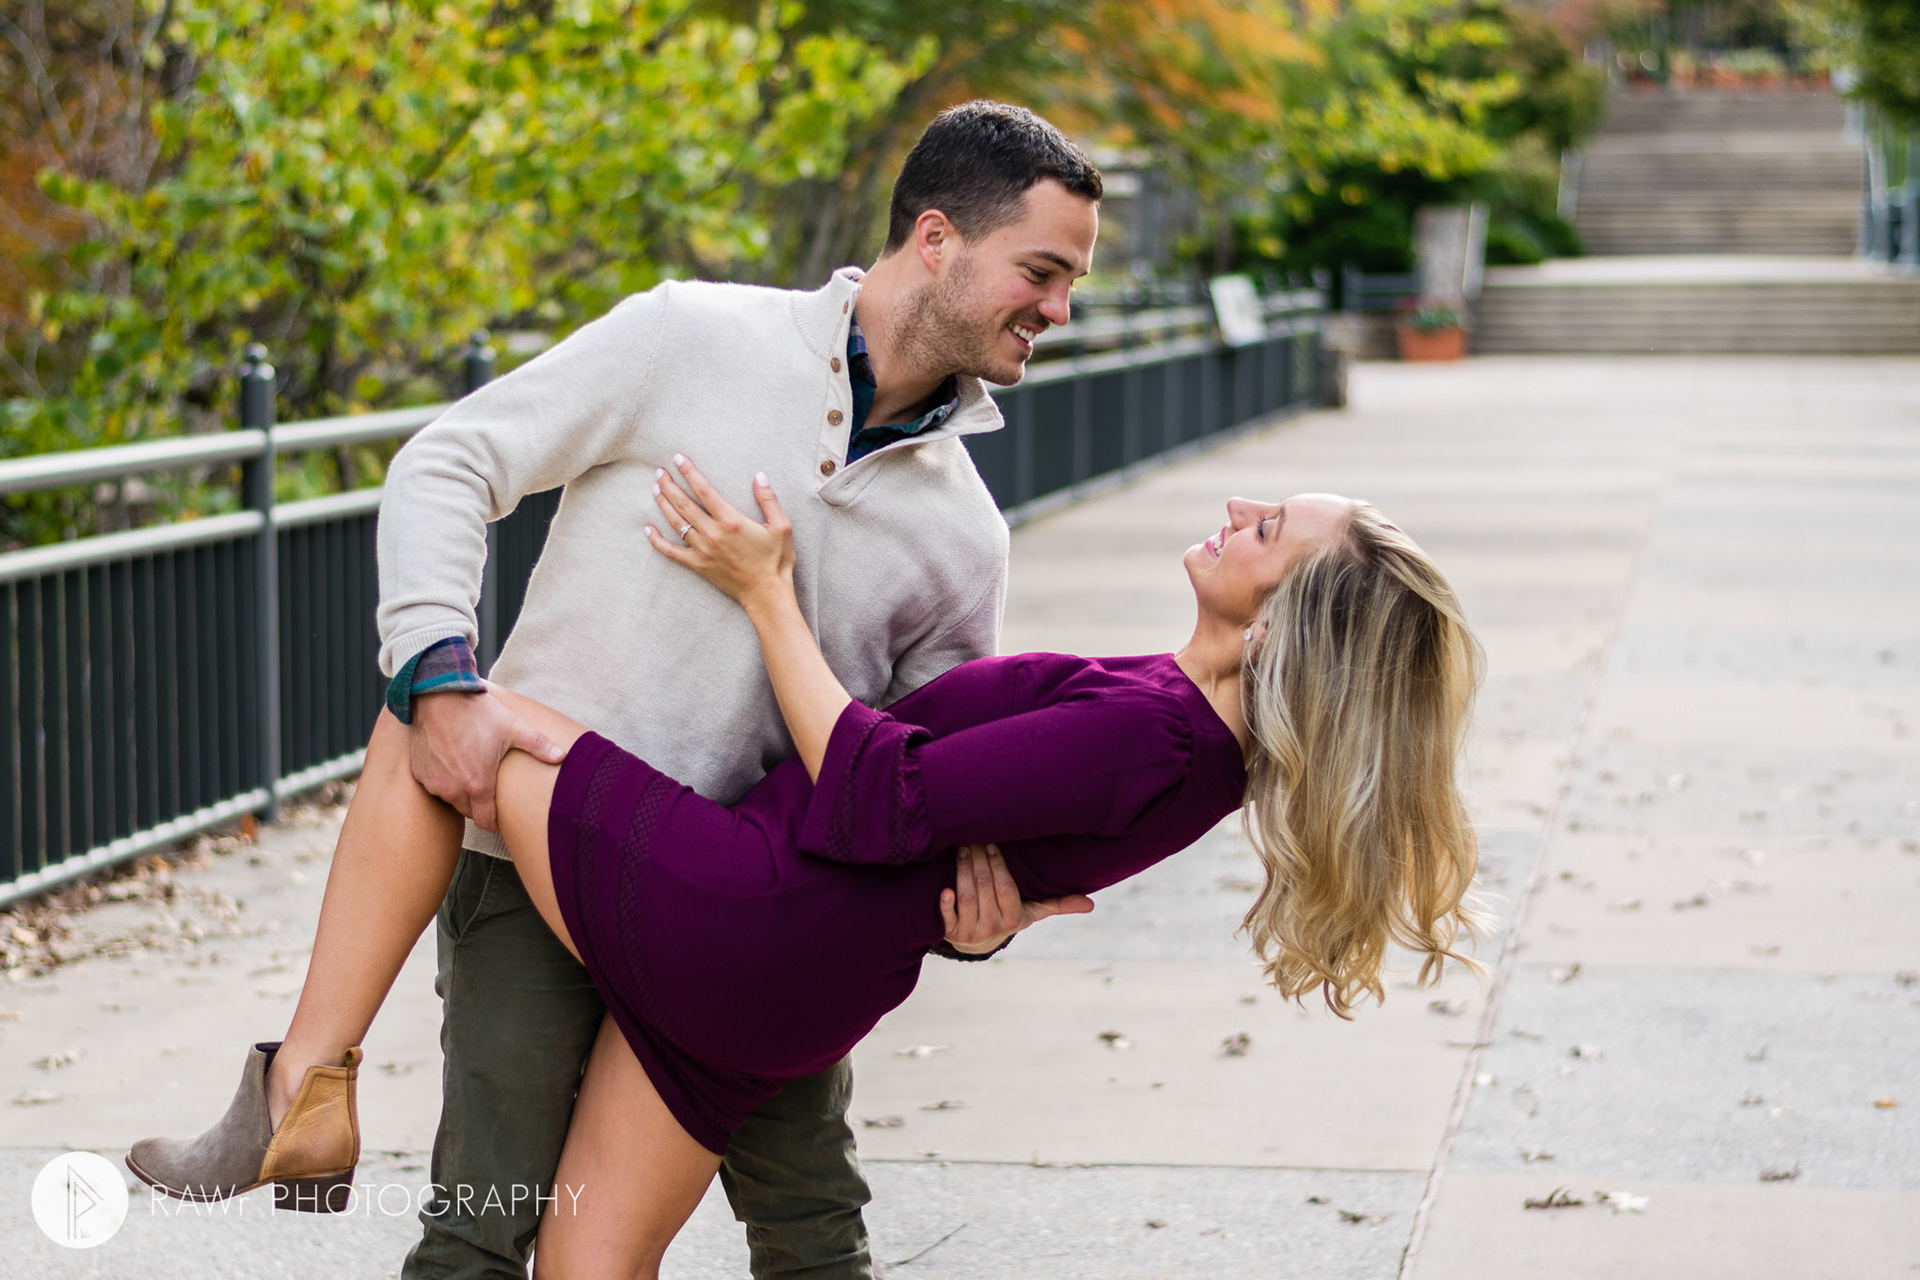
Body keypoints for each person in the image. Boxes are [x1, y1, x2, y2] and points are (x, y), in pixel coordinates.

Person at [130, 473, 1485, 1278]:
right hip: (787, 980)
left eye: (1270, 529)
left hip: (748, 910)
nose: (1240, 511)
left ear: (1295, 614)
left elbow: (878, 791)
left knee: (433, 715)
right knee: (591, 1262)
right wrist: (987, 913)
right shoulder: (1183, 731)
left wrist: (764, 588)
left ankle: (304, 1086)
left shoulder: (1169, 737)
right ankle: (304, 1095)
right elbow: (971, 829)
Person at [369, 101, 1103, 1278]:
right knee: (479, 1231)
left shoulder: (966, 537)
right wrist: (441, 673)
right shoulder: (690, 336)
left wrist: (971, 919)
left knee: (815, 1239)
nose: (1059, 308)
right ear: (936, 239)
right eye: (1042, 271)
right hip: (531, 863)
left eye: (1069, 282)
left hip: (755, 918)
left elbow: (917, 791)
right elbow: (447, 460)